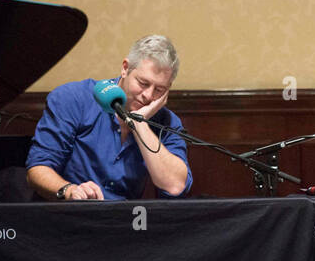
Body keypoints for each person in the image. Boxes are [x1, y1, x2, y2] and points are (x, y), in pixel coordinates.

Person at [26, 34, 191, 200]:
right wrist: (69, 190)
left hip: (123, 220)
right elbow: (37, 169)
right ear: (125, 68)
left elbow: (175, 186)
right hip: (67, 213)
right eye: (143, 83)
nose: (148, 96)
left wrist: (139, 124)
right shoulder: (73, 98)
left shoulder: (167, 122)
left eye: (159, 90)